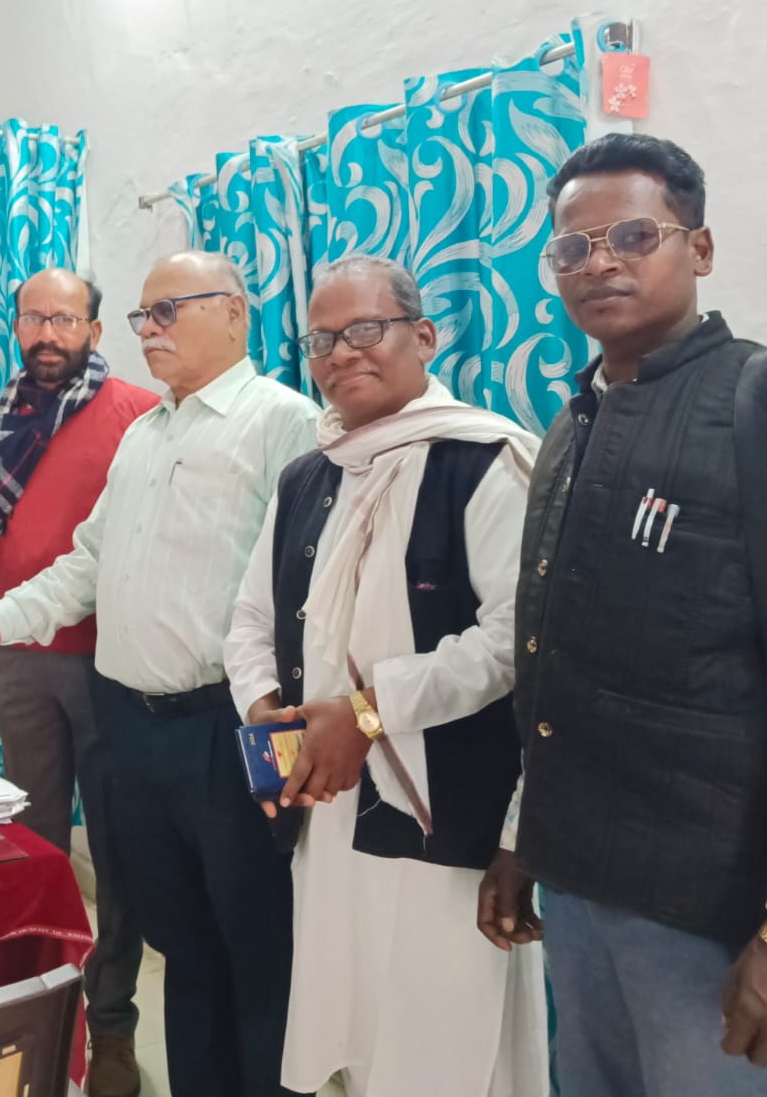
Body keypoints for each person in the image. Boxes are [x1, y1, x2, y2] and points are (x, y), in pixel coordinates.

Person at [477, 133, 767, 1096]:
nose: (600, 263)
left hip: (721, 909)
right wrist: (520, 834)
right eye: (573, 248)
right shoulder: (569, 428)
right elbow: (558, 662)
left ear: (699, 248)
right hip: (577, 886)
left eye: (633, 235)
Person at [0, 251, 319, 1097]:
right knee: (182, 942)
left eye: (168, 311)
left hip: (229, 727)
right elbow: (88, 562)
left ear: (235, 313)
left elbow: (309, 588)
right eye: (145, 316)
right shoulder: (149, 433)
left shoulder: (283, 422)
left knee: (257, 944)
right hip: (131, 725)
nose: (151, 331)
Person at [225, 255, 548, 1096]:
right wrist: (268, 711)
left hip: (442, 814)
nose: (342, 353)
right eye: (322, 339)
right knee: (357, 1029)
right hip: (327, 811)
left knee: (443, 1044)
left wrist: (369, 712)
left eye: (366, 329)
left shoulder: (485, 458)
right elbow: (252, 618)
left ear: (424, 336)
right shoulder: (311, 473)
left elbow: (516, 642)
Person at [0, 267, 156, 1096]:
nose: (47, 333)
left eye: (64, 319)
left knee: (117, 853)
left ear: (94, 331)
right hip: (20, 655)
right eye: (33, 318)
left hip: (109, 660)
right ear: (16, 326)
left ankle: (113, 1027)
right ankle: (36, 1020)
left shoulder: (139, 413)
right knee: (33, 844)